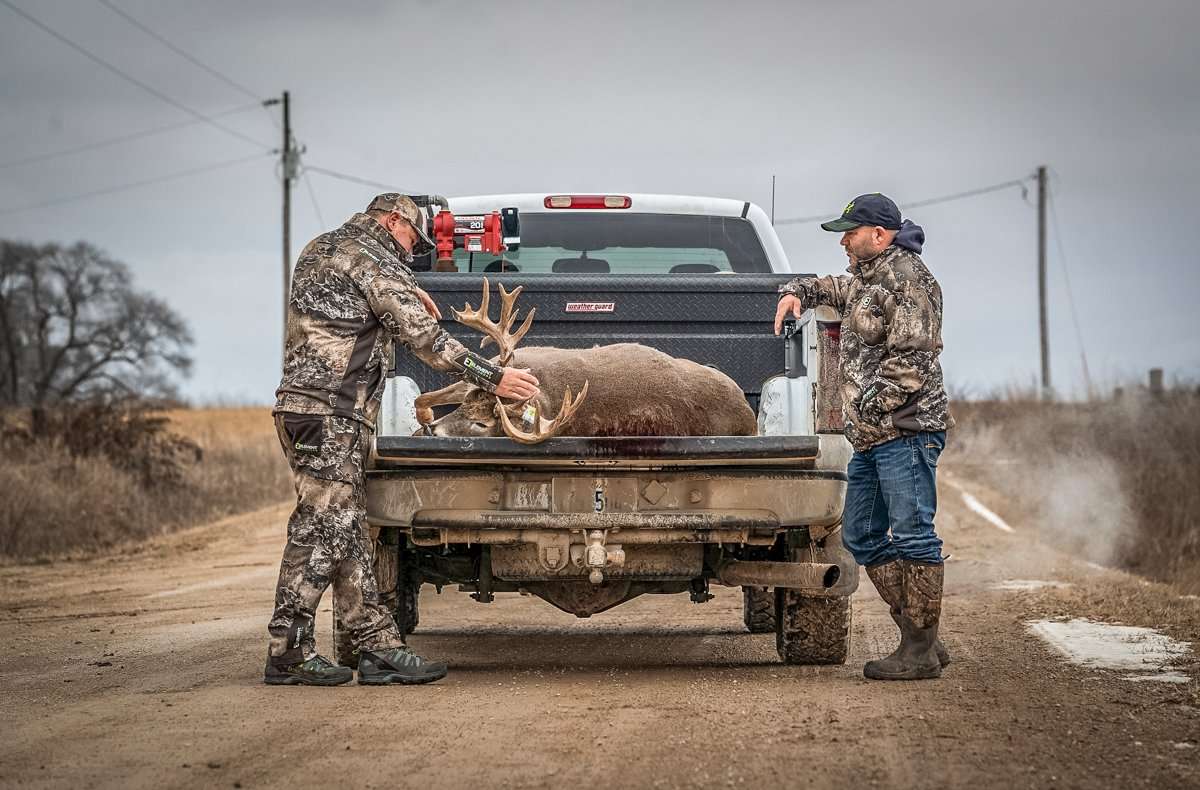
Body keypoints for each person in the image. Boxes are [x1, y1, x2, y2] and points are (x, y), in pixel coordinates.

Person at [266, 193, 540, 686]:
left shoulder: (322, 249)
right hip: (331, 415)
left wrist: (407, 286)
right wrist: (493, 378)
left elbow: (362, 297)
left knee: (346, 531)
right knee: (322, 531)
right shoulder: (372, 262)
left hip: (306, 410)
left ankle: (377, 648)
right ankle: (287, 652)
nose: (413, 249)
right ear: (394, 220)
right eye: (413, 238)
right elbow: (428, 342)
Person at [773, 193, 954, 680]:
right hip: (874, 438)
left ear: (880, 234)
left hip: (907, 431)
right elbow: (830, 286)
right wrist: (798, 292)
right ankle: (925, 635)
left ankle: (918, 649)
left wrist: (862, 411)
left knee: (914, 535)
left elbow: (909, 368)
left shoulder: (909, 280)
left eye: (850, 233)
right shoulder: (865, 279)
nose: (844, 242)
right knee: (860, 533)